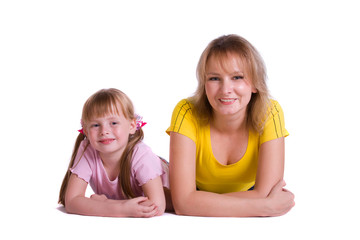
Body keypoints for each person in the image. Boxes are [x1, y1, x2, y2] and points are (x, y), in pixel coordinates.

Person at [167, 34, 295, 217]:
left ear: (255, 84)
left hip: (210, 194)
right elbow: (183, 204)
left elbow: (266, 193)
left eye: (237, 77)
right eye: (214, 78)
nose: (225, 89)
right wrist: (263, 206)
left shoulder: (270, 112)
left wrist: (196, 202)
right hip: (208, 190)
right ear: (204, 84)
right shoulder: (186, 111)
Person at [59, 88, 172, 217]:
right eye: (96, 125)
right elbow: (72, 201)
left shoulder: (142, 155)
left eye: (113, 123)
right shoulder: (88, 149)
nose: (104, 131)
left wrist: (105, 204)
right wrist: (120, 208)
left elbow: (157, 206)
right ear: (85, 130)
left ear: (131, 126)